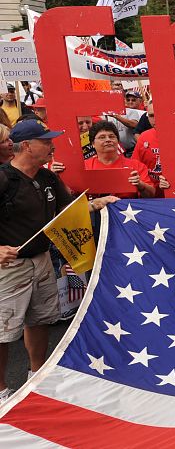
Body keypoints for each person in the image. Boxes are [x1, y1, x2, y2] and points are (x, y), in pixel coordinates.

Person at [0, 119, 117, 402]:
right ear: (26, 146)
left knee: (39, 320)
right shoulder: (3, 178)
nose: (52, 146)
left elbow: (67, 211)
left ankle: (35, 376)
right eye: (46, 141)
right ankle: (2, 391)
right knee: (3, 332)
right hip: (8, 267)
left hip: (41, 261)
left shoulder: (48, 178)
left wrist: (95, 205)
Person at [84, 121, 156, 199]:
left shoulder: (136, 166)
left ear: (118, 141)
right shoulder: (84, 167)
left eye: (112, 136)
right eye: (102, 137)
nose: (108, 140)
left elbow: (151, 195)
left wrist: (140, 185)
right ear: (93, 144)